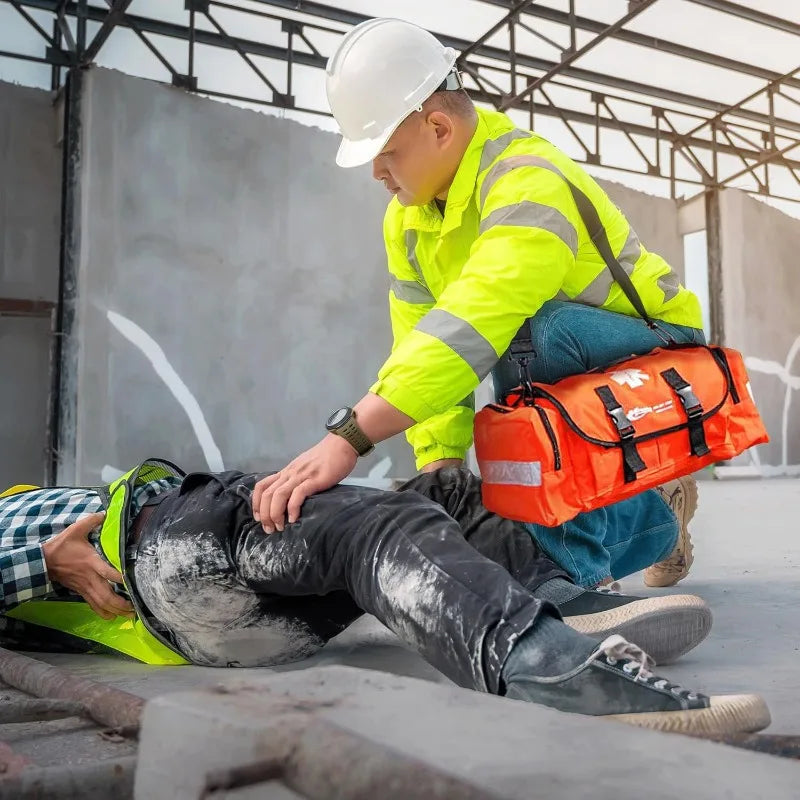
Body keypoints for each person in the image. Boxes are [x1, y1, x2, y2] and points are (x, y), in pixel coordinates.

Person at [251, 18, 704, 591]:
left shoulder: (529, 181)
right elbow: (423, 338)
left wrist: (351, 436)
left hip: (661, 351)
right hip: (563, 353)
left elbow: (475, 320)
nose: (376, 172)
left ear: (438, 127)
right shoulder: (410, 222)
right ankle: (639, 509)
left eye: (387, 151)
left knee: (529, 331)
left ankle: (588, 558)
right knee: (516, 382)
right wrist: (441, 463)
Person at [0, 460, 766, 734]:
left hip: (203, 603)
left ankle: (555, 599)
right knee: (378, 528)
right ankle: (554, 669)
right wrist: (45, 568)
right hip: (164, 553)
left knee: (441, 495)